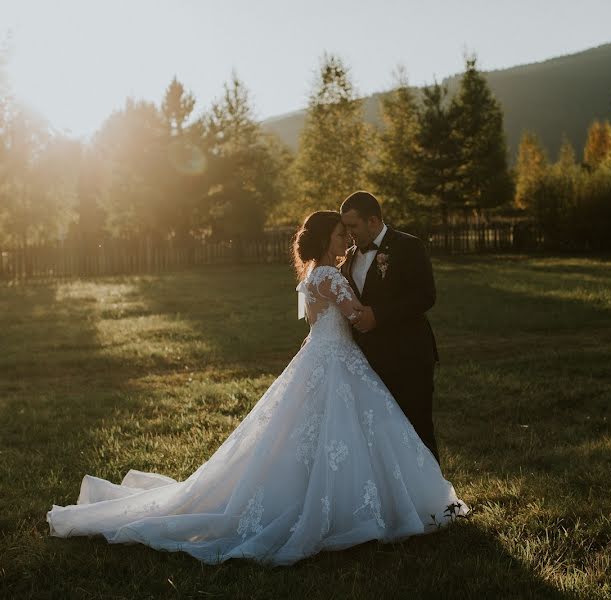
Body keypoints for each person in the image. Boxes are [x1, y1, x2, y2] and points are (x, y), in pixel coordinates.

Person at [45, 210, 468, 566]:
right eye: (341, 232)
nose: (346, 238)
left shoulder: (311, 278)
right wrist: (374, 313)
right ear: (325, 238)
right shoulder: (333, 278)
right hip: (337, 362)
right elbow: (357, 317)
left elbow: (316, 327)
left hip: (320, 358)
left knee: (305, 439)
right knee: (347, 434)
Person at [339, 191, 441, 464]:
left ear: (373, 221)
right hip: (367, 361)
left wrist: (379, 315)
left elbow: (425, 296)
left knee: (416, 428)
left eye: (353, 226)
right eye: (345, 227)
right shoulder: (348, 257)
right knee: (380, 435)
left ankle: (433, 501)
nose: (348, 233)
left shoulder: (409, 247)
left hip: (408, 356)